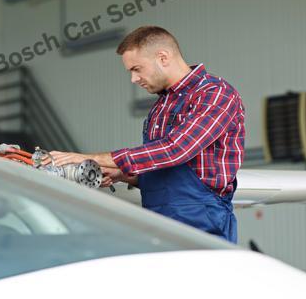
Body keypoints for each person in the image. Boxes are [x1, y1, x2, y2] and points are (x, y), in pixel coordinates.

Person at [49, 26, 245, 243]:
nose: (134, 79)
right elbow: (166, 172)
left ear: (163, 57)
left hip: (202, 221)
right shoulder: (161, 106)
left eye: (137, 69)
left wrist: (91, 158)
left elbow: (175, 150)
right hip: (158, 220)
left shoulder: (214, 94)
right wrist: (124, 175)